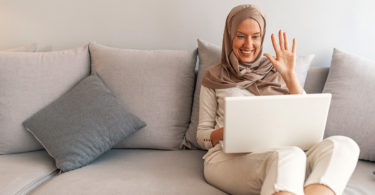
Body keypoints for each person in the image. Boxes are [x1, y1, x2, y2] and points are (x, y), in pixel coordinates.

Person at [197, 4, 359, 195]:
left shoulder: (276, 70)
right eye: (241, 36)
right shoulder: (215, 75)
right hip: (228, 158)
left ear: (262, 37)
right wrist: (230, 130)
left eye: (255, 36)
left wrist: (289, 75)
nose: (248, 44)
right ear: (230, 36)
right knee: (290, 155)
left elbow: (307, 121)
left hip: (285, 155)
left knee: (343, 145)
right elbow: (202, 136)